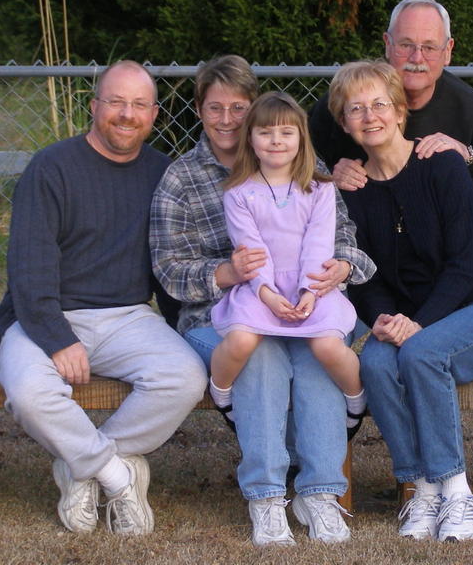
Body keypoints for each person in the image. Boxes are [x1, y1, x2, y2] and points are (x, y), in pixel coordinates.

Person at [309, 0, 473, 493]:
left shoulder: (467, 111)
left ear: (448, 50)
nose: (416, 57)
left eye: (428, 46)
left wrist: (466, 160)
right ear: (387, 46)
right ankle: (319, 458)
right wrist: (329, 174)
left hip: (454, 273)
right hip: (380, 271)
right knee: (345, 344)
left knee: (464, 343)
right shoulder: (341, 107)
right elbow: (300, 177)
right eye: (405, 45)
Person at [150, 55, 375, 546]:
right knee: (263, 357)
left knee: (315, 360)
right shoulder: (182, 178)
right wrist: (226, 273)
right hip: (220, 315)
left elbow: (341, 236)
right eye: (215, 108)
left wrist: (341, 266)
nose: (227, 119)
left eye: (238, 107)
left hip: (303, 305)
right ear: (198, 110)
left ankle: (319, 491)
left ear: (254, 112)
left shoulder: (303, 170)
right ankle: (268, 496)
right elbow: (168, 271)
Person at [0, 61, 207, 535]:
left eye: (138, 105)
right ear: (94, 107)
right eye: (115, 102)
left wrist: (184, 327)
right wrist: (56, 337)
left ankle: (77, 465)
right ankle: (114, 474)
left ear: (154, 114)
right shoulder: (52, 167)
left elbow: (168, 259)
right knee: (28, 394)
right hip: (45, 313)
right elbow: (28, 266)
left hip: (128, 316)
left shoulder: (161, 173)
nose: (126, 114)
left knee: (185, 375)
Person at [328, 59, 473, 541]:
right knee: (373, 362)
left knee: (420, 353)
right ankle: (422, 489)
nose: (370, 116)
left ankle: (456, 492)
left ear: (398, 111)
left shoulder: (442, 164)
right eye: (356, 109)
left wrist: (419, 325)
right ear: (344, 122)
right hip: (407, 316)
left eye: (379, 104)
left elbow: (464, 262)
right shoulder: (353, 189)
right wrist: (382, 319)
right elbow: (362, 276)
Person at [210, 91, 365, 438]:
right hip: (260, 286)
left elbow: (319, 242)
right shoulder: (238, 193)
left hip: (311, 284)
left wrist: (309, 291)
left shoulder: (320, 189)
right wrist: (266, 294)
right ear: (250, 138)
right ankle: (222, 393)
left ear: (301, 138)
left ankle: (356, 400)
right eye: (265, 133)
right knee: (241, 341)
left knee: (326, 345)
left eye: (286, 132)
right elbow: (250, 247)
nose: (276, 140)